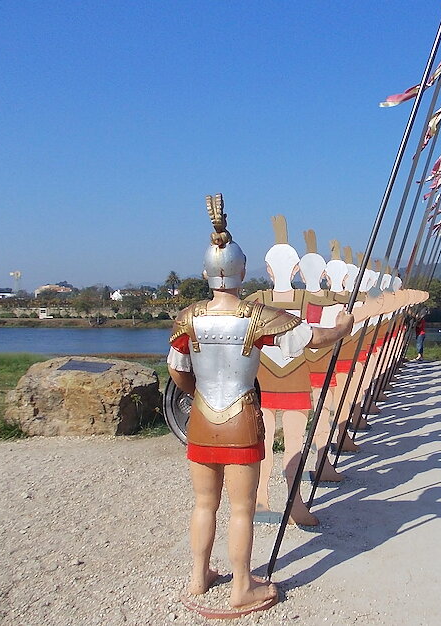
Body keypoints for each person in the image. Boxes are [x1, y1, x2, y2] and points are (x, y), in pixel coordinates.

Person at [167, 195, 352, 617]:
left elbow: (177, 370)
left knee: (203, 503)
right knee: (242, 508)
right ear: (242, 272)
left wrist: (197, 391)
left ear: (205, 274)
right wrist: (342, 326)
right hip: (241, 420)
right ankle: (241, 586)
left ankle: (197, 577)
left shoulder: (187, 318)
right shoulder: (257, 317)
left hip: (201, 417)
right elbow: (310, 340)